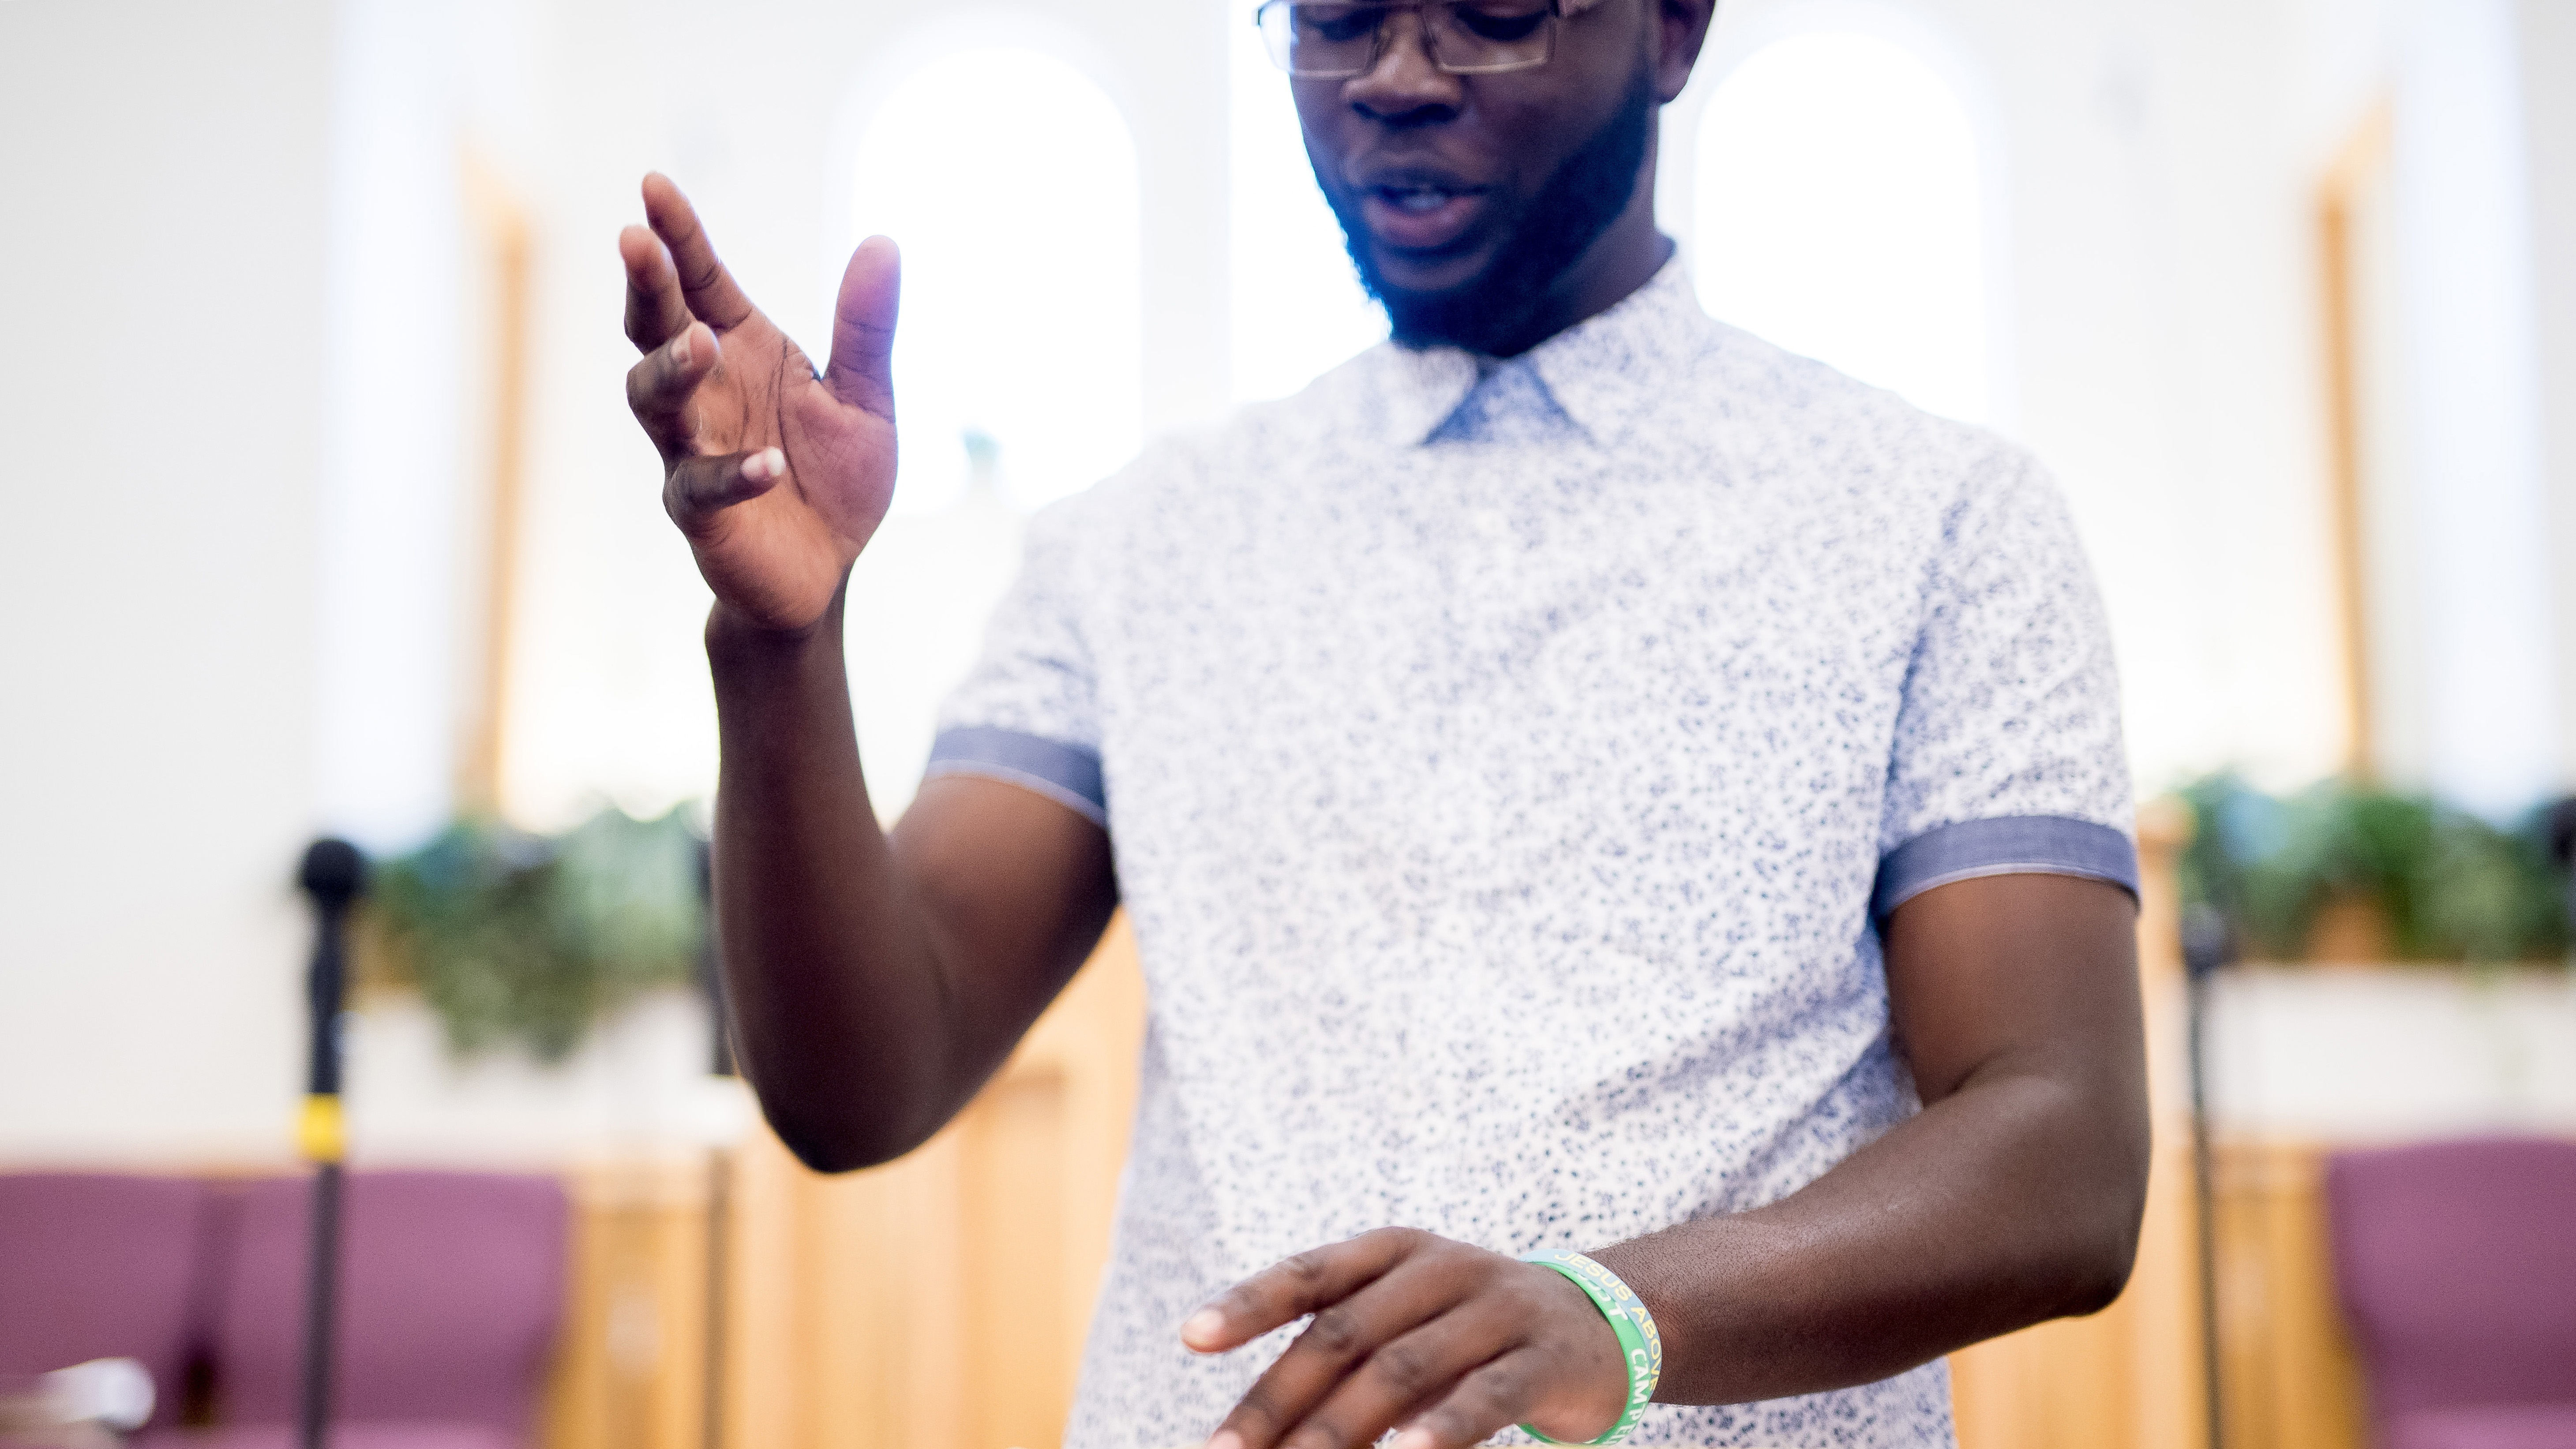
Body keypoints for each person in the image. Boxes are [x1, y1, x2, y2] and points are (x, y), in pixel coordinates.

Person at [616, 0, 2149, 1444]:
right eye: (1336, 17)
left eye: (1489, 12)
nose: (1395, 78)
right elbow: (861, 1086)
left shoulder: (1937, 519)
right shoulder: (1143, 541)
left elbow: (2060, 1149)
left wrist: (1615, 1315)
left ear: (1676, 26)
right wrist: (779, 649)